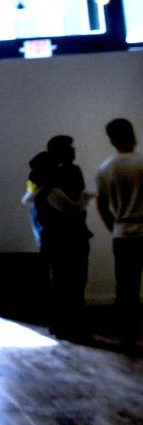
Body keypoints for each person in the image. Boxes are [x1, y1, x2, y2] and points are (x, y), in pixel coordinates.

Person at [23, 150, 94, 341]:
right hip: (67, 243)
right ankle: (74, 328)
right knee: (74, 284)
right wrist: (86, 198)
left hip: (50, 243)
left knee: (59, 285)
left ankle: (59, 326)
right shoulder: (51, 191)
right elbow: (72, 209)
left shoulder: (34, 193)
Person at [95, 118, 143, 353]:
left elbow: (102, 206)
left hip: (122, 233)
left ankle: (128, 336)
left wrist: (114, 227)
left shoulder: (105, 168)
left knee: (126, 288)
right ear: (132, 135)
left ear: (112, 140)